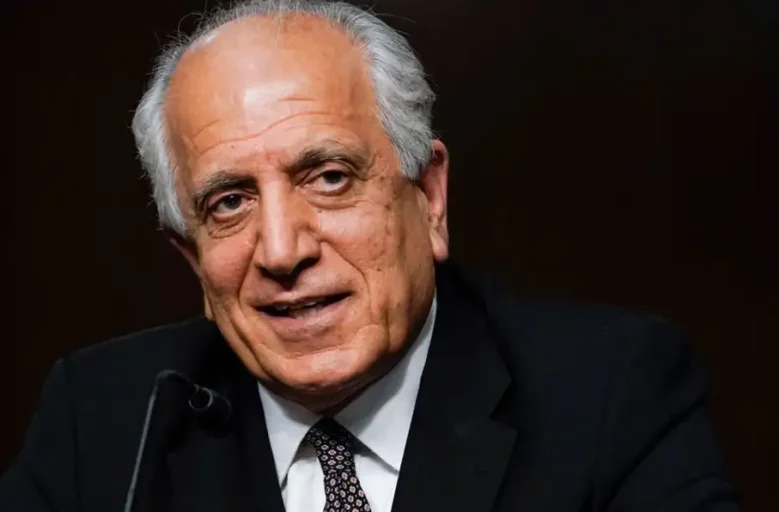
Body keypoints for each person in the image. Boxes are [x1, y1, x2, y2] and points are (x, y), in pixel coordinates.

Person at [0, 1, 740, 510]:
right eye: (229, 202)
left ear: (430, 198)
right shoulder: (104, 421)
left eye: (328, 178)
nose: (282, 251)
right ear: (192, 256)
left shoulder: (612, 395)